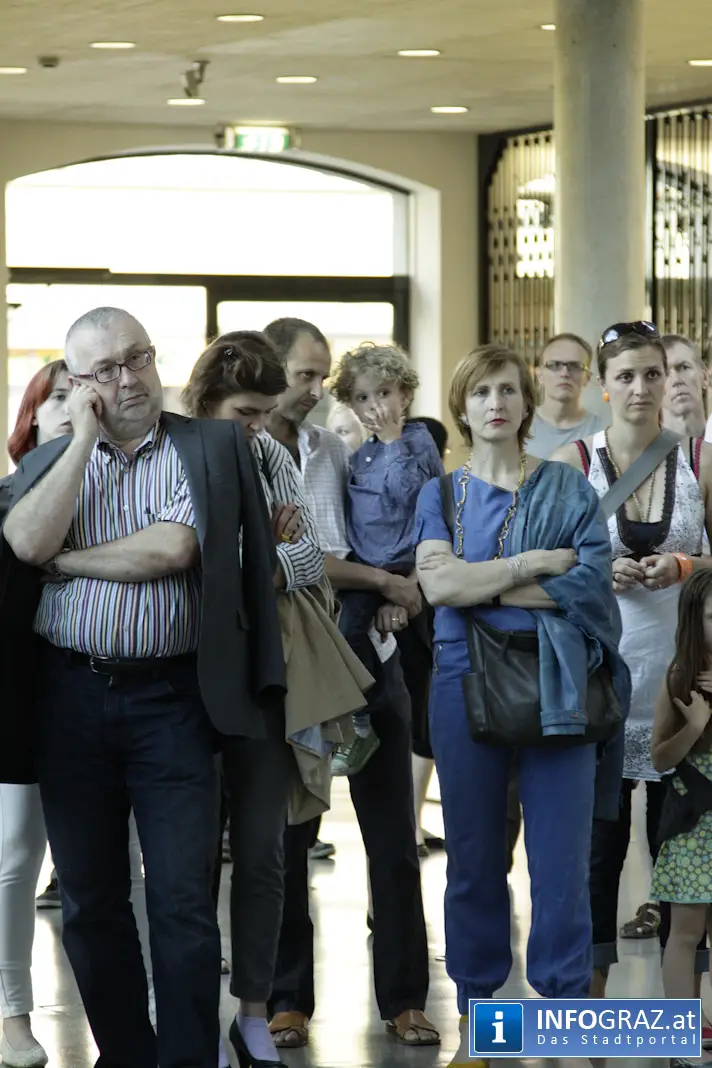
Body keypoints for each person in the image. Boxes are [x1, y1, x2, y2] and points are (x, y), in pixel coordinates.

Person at [0, 307, 285, 1068]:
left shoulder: (207, 446)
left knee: (184, 903)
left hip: (173, 701)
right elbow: (25, 539)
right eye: (105, 370)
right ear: (79, 385)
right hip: (69, 701)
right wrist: (84, 442)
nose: (129, 379)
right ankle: (127, 1054)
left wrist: (70, 558)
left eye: (139, 358)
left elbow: (171, 548)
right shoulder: (53, 459)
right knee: (93, 905)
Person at [414, 343, 629, 1029]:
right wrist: (531, 564)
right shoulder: (441, 493)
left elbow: (589, 588)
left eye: (507, 390)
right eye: (480, 393)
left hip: (559, 683)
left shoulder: (568, 490)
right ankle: (481, 1021)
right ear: (463, 408)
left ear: (526, 403)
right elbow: (439, 585)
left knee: (560, 862)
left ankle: (563, 1011)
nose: (495, 404)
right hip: (463, 682)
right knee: (473, 860)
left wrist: (480, 582)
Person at [264, 317, 439, 1051]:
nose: (314, 389)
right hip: (300, 666)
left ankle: (404, 998)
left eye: (319, 376)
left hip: (371, 657)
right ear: (272, 374)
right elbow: (298, 561)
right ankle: (286, 1000)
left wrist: (407, 590)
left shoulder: (338, 449)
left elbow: (387, 531)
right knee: (291, 837)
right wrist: (383, 580)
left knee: (394, 836)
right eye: (304, 376)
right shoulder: (246, 452)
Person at [183, 328, 341, 1068]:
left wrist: (265, 564)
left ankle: (253, 1012)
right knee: (183, 864)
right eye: (244, 412)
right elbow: (187, 562)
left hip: (262, 676)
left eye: (264, 412)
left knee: (266, 852)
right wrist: (261, 559)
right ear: (205, 399)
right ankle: (185, 1015)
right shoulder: (175, 452)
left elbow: (309, 557)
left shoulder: (273, 456)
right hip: (181, 682)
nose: (255, 427)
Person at [553, 319, 712, 998]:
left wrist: (683, 564)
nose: (644, 387)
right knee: (598, 843)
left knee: (679, 843)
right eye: (627, 376)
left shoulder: (698, 460)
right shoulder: (573, 463)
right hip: (600, 679)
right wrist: (596, 573)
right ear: (604, 386)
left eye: (655, 373)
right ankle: (591, 992)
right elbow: (547, 562)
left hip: (680, 681)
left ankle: (680, 1007)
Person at [327, 342, 444, 776]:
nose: (374, 405)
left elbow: (412, 495)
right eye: (362, 397)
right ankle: (361, 721)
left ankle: (417, 740)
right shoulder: (358, 456)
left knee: (418, 667)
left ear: (405, 394)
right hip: (368, 569)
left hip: (410, 565)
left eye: (384, 393)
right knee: (348, 632)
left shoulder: (417, 441)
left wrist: (393, 439)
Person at [0, 360, 70, 1068]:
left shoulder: (124, 496)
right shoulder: (6, 501)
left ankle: (148, 1007)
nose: (74, 407)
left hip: (110, 698)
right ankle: (13, 1017)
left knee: (131, 864)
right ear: (33, 419)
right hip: (23, 702)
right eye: (58, 397)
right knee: (17, 857)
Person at [650, 570, 712, 1067]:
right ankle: (679, 1036)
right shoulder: (679, 676)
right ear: (695, 621)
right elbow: (659, 758)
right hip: (695, 824)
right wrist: (695, 725)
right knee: (685, 932)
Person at [528, 333, 606, 459]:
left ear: (587, 377)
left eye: (575, 366)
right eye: (554, 365)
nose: (564, 373)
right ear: (540, 375)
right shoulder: (518, 427)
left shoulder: (601, 433)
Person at [662, 334, 709, 438]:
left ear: (704, 377)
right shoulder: (643, 451)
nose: (676, 380)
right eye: (665, 373)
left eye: (684, 368)